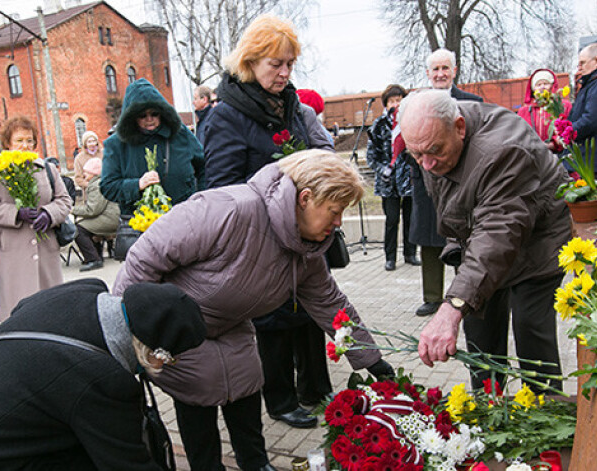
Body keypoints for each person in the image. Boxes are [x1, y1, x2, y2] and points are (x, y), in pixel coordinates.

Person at [113, 150, 394, 471]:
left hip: (234, 325)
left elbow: (330, 302)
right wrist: (127, 334)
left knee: (246, 388)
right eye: (334, 210)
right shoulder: (229, 209)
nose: (338, 222)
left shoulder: (306, 249)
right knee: (197, 401)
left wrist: (371, 359)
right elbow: (144, 258)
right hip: (181, 330)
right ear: (304, 198)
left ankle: (257, 464)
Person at [203, 15, 334, 432]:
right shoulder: (227, 116)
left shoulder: (290, 104)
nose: (284, 73)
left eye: (290, 64)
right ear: (250, 61)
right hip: (259, 233)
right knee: (273, 318)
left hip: (302, 230)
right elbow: (222, 186)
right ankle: (279, 398)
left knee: (312, 307)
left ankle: (315, 387)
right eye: (275, 64)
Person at [399, 90, 571, 392]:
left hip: (537, 242)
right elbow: (453, 206)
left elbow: (498, 233)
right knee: (478, 328)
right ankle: (487, 407)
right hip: (486, 238)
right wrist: (458, 262)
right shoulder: (433, 137)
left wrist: (452, 306)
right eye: (416, 155)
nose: (426, 164)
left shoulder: (502, 151)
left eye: (433, 151)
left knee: (530, 327)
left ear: (460, 127)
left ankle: (546, 413)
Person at [0, 278, 207, 470]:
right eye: (169, 359)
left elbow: (23, 307)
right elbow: (127, 463)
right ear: (153, 353)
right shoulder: (104, 380)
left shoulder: (83, 290)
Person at [410, 48, 483, 317]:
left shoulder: (472, 102)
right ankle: (432, 297)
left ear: (454, 71)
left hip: (463, 184)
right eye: (435, 69)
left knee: (464, 239)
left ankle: (464, 294)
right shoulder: (416, 104)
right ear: (428, 74)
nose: (440, 74)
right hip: (427, 185)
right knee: (430, 242)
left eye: (445, 68)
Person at [0, 115, 72, 322]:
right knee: (20, 311)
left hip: (45, 247)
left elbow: (64, 200)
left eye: (29, 140)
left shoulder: (46, 168)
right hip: (12, 250)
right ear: (8, 143)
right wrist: (16, 213)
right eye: (19, 141)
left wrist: (49, 213)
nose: (25, 146)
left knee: (51, 307)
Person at [100, 78, 205, 218]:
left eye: (154, 114)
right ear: (132, 117)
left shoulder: (180, 134)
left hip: (183, 217)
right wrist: (137, 184)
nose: (149, 119)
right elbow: (107, 187)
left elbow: (204, 167)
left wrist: (201, 200)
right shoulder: (117, 144)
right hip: (140, 224)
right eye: (142, 115)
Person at [366, 84, 419, 271]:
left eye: (399, 100)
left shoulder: (412, 122)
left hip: (409, 180)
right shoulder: (378, 126)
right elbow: (371, 157)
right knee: (392, 220)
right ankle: (390, 258)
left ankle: (410, 253)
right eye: (392, 101)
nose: (396, 104)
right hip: (388, 182)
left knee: (411, 219)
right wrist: (382, 170)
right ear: (386, 104)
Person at [72, 158, 120, 272]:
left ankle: (93, 259)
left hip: (110, 219)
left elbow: (93, 210)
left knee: (78, 229)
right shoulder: (103, 181)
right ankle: (98, 255)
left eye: (87, 172)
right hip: (113, 216)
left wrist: (72, 209)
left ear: (94, 173)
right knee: (86, 226)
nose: (84, 174)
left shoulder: (96, 185)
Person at [517, 68, 572, 151]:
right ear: (533, 89)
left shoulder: (563, 106)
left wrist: (554, 144)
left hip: (558, 154)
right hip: (533, 154)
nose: (542, 87)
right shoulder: (524, 111)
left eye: (546, 83)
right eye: (538, 85)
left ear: (552, 85)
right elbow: (519, 133)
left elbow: (568, 129)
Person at [568, 43, 597, 160]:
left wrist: (568, 132)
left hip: (591, 158)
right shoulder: (588, 85)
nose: (579, 67)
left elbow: (590, 119)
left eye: (583, 63)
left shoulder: (594, 86)